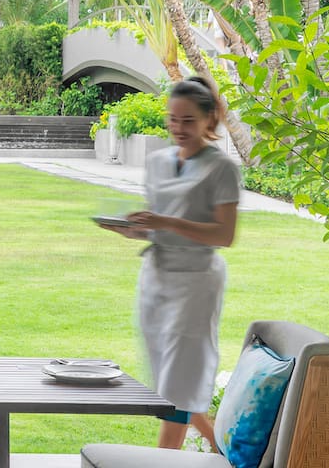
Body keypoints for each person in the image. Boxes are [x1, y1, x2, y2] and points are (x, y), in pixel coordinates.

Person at [99, 74, 242, 452]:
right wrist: (138, 229)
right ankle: (225, 454)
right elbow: (162, 223)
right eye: (173, 119)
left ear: (209, 120)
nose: (178, 128)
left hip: (196, 284)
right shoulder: (158, 161)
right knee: (170, 381)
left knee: (179, 382)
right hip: (156, 279)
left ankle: (164, 461)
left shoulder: (222, 168)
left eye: (188, 121)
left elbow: (223, 235)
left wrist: (164, 222)